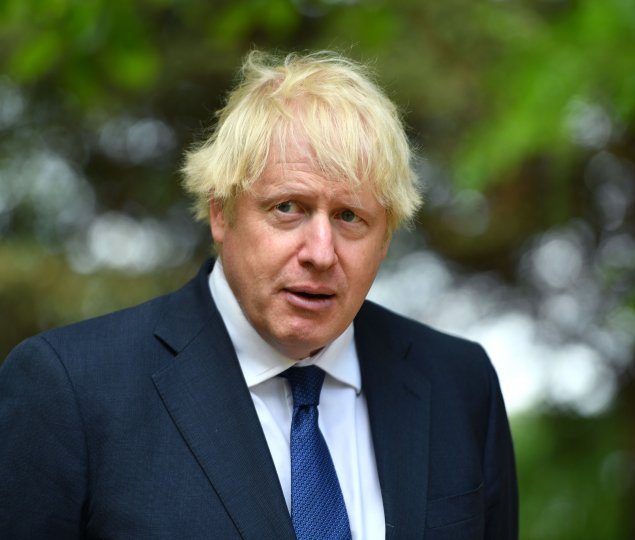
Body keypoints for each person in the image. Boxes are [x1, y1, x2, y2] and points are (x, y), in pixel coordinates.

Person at [0, 50, 518, 539]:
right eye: (288, 208)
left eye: (349, 217)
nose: (320, 251)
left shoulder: (459, 385)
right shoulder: (70, 391)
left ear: (385, 237)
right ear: (221, 212)